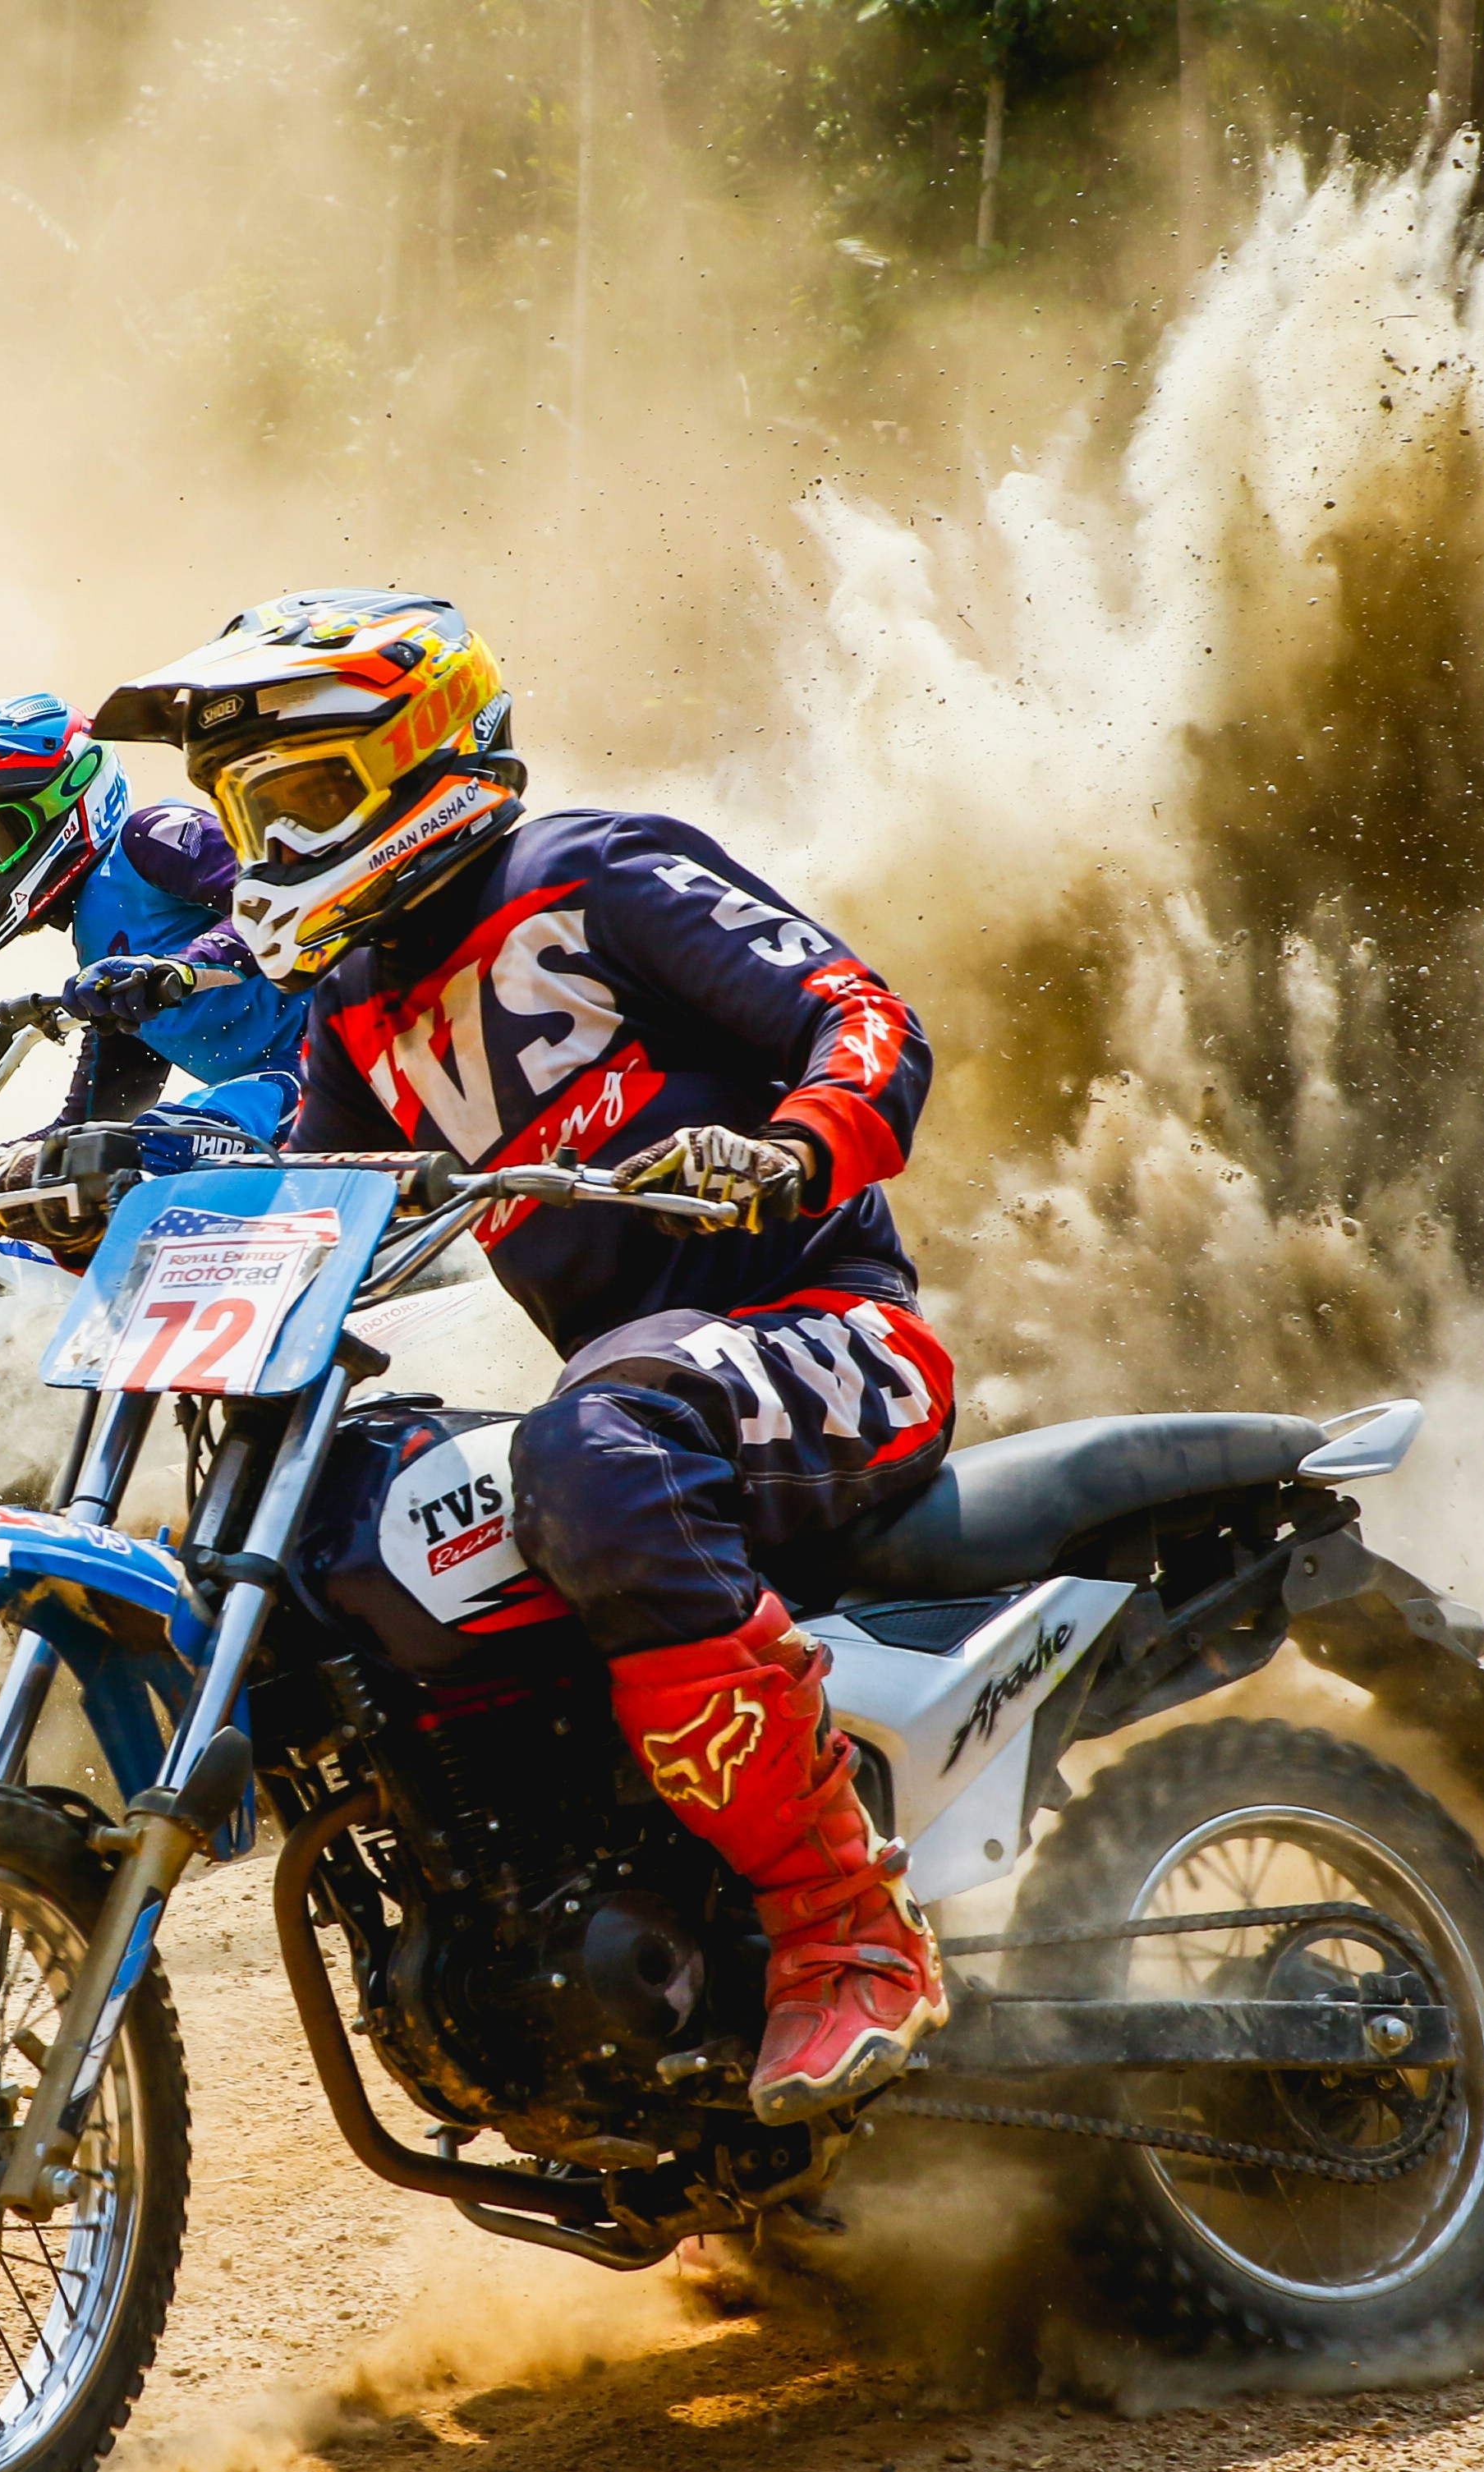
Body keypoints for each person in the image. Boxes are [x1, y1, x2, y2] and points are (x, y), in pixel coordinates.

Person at [92, 590, 956, 2124]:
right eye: (246, 812)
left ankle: (847, 1937)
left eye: (303, 796)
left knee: (591, 1449)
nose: (274, 845)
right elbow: (316, 1217)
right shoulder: (359, 1008)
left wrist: (783, 1150)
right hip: (638, 1388)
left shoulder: (591, 872)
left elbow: (866, 1022)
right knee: (333, 1517)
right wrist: (107, 1203)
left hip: (834, 1337)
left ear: (418, 759)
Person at [0, 692, 307, 1145]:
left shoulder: (151, 834)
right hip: (288, 1097)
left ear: (76, 793)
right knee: (77, 1165)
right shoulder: (98, 949)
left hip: (343, 1054)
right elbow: (92, 1126)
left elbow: (284, 900)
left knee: (162, 1143)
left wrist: (178, 970)